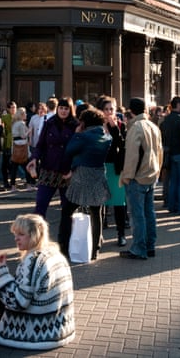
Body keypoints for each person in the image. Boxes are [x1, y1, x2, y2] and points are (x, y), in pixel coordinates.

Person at [0, 214, 75, 350]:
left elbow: (19, 303)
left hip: (38, 334)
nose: (16, 238)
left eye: (21, 234)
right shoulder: (54, 253)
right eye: (15, 234)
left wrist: (1, 272)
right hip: (61, 327)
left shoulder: (32, 261)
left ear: (34, 235)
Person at [62, 107, 112, 260]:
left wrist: (77, 134)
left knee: (67, 211)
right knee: (96, 213)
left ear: (84, 122)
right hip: (98, 175)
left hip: (82, 176)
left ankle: (64, 246)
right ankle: (95, 249)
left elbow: (69, 150)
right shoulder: (107, 137)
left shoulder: (83, 137)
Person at [119, 97, 163, 260]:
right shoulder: (153, 126)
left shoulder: (136, 127)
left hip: (138, 177)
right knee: (149, 212)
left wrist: (127, 176)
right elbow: (160, 152)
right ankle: (150, 245)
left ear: (131, 110)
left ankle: (139, 248)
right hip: (151, 174)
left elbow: (131, 155)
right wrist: (157, 171)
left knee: (137, 215)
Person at [28, 98, 79, 217]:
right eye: (61, 108)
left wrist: (74, 168)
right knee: (40, 206)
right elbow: (40, 145)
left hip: (67, 172)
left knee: (68, 211)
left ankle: (67, 235)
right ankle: (38, 234)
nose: (63, 111)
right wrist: (34, 159)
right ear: (57, 109)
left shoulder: (75, 125)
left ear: (70, 109)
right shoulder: (49, 122)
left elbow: (79, 150)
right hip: (48, 169)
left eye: (66, 108)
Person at [98, 96, 128, 246]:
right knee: (101, 202)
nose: (109, 112)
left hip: (115, 168)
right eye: (106, 109)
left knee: (118, 202)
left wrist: (114, 128)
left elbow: (122, 145)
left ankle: (121, 233)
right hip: (100, 167)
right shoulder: (96, 125)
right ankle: (99, 233)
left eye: (112, 109)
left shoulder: (121, 125)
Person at [160, 96, 180, 214]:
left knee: (173, 181)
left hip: (171, 154)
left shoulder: (166, 119)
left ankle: (172, 206)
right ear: (178, 104)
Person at [9, 107, 35, 190]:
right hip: (22, 147)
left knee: (14, 167)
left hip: (15, 147)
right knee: (27, 166)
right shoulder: (21, 123)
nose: (26, 115)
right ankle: (29, 185)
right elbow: (23, 135)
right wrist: (29, 130)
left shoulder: (14, 123)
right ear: (22, 115)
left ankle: (13, 186)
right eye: (25, 113)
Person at [0, 101, 16, 189]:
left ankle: (13, 181)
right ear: (9, 109)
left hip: (16, 143)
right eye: (12, 107)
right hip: (7, 143)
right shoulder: (5, 117)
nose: (14, 109)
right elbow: (2, 130)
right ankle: (6, 182)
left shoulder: (18, 117)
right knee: (5, 164)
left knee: (13, 164)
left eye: (15, 107)